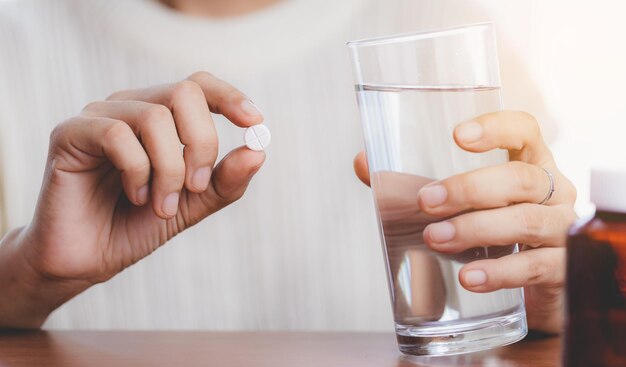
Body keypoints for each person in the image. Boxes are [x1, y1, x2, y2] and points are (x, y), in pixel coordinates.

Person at [0, 0, 576, 333]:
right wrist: (27, 279)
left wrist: (554, 307)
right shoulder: (18, 45)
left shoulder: (441, 24)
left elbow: (531, 299)